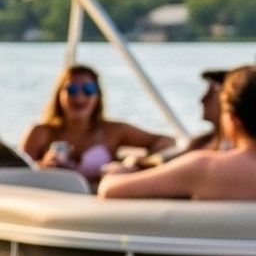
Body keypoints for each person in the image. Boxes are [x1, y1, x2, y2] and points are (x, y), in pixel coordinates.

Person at [100, 65, 256, 200]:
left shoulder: (204, 168)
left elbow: (109, 189)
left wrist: (120, 171)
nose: (202, 100)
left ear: (233, 119)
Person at [20, 65, 171, 181]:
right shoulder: (39, 132)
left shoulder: (114, 131)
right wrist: (42, 166)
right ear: (59, 95)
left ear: (98, 96)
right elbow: (16, 173)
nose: (79, 96)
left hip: (98, 202)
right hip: (53, 200)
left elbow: (166, 141)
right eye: (72, 89)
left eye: (88, 89)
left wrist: (134, 165)